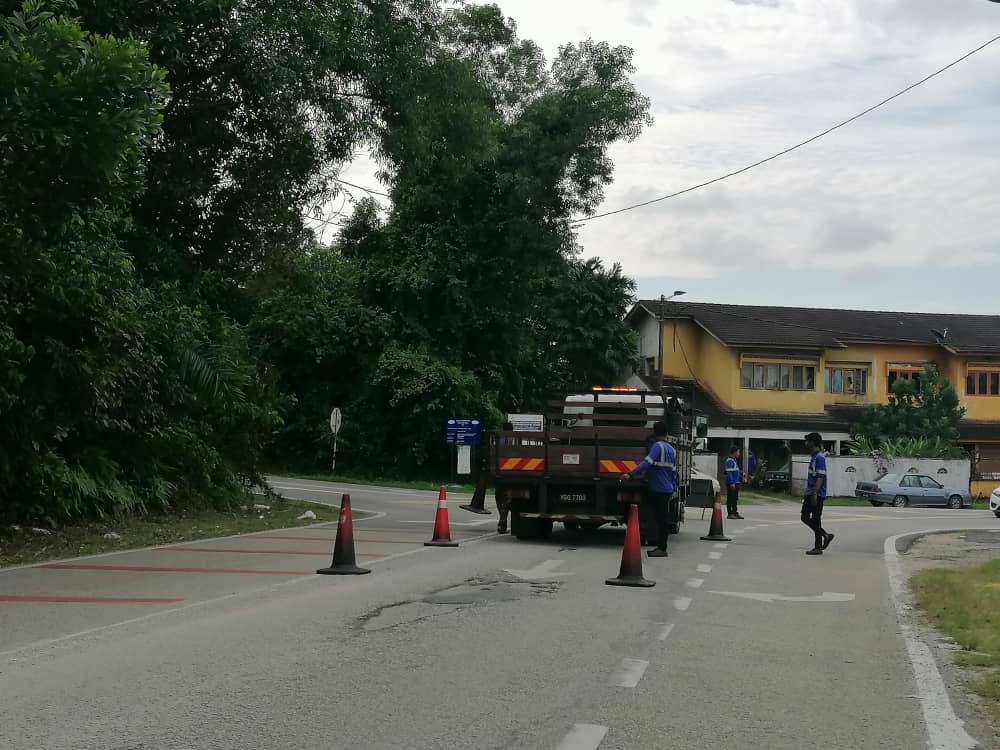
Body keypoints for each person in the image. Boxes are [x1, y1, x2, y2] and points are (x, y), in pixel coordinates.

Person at [621, 421, 676, 557]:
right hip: (667, 488)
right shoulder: (671, 449)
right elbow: (673, 471)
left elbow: (646, 463)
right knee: (662, 518)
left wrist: (630, 474)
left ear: (654, 432)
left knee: (658, 518)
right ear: (666, 433)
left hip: (658, 488)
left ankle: (661, 548)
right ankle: (660, 546)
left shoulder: (657, 446)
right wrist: (673, 486)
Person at [803, 432, 834, 555]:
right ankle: (824, 536)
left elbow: (821, 477)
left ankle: (818, 546)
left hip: (816, 493)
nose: (806, 443)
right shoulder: (815, 456)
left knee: (814, 519)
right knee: (806, 517)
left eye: (807, 441)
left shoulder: (819, 458)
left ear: (812, 442)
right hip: (811, 492)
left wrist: (815, 493)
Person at [496, 422, 515, 534]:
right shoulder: (514, 439)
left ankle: (502, 521)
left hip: (499, 473)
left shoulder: (499, 439)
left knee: (499, 498)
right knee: (507, 500)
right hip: (511, 473)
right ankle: (502, 522)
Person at [725, 446, 744, 519]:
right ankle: (730, 513)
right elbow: (729, 473)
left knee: (735, 499)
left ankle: (735, 512)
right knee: (730, 498)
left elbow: (736, 470)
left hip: (736, 482)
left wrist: (742, 475)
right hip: (732, 483)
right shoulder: (729, 460)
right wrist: (731, 482)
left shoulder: (734, 460)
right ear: (735, 452)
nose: (739, 453)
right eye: (738, 452)